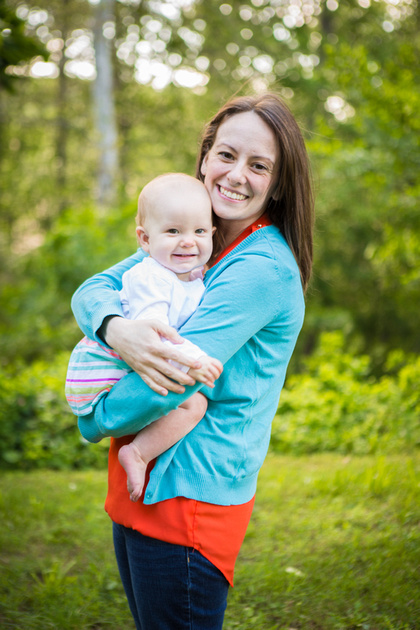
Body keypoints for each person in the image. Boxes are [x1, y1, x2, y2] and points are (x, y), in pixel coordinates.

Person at [71, 93, 314, 630]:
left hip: (189, 496)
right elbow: (93, 289)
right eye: (226, 155)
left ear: (277, 182)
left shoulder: (260, 268)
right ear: (204, 157)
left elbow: (178, 378)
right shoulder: (193, 236)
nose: (236, 175)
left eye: (259, 165)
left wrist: (93, 418)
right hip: (142, 474)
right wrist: (119, 330)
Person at [66, 173, 222, 501]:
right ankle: (137, 453)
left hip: (118, 373)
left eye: (199, 231)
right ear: (145, 239)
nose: (188, 241)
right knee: (195, 403)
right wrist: (198, 359)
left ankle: (137, 451)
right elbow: (156, 335)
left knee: (190, 400)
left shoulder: (185, 275)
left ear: (212, 234)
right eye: (173, 231)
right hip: (100, 378)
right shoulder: (150, 277)